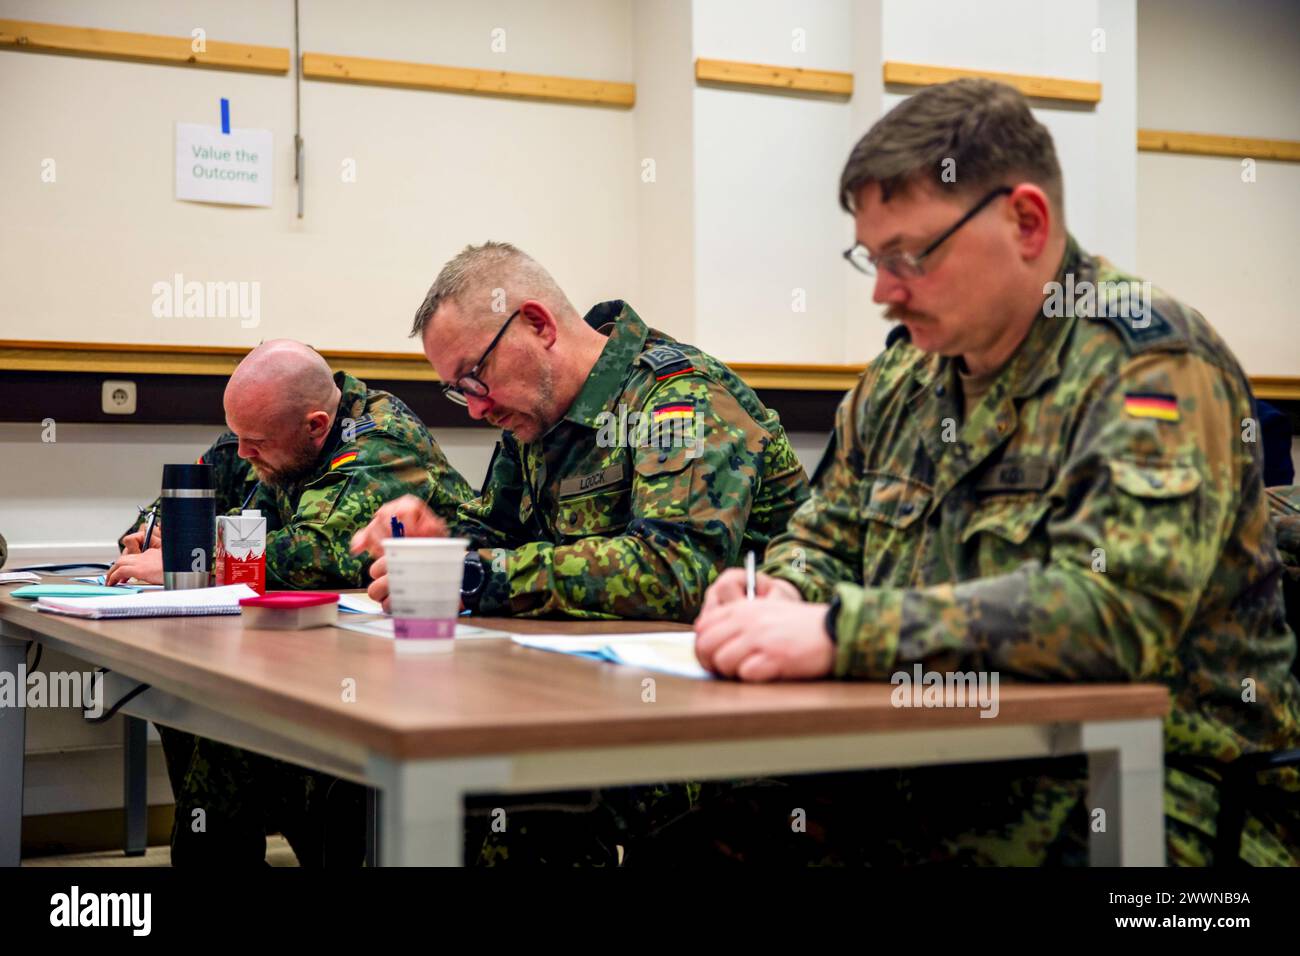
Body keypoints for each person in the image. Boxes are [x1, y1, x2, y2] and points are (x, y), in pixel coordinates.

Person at [691, 78, 1300, 866]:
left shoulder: (1150, 368)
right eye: (872, 260)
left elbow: (1113, 616)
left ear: (1026, 221)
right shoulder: (905, 377)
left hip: (1148, 789)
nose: (884, 291)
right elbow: (826, 532)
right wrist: (781, 589)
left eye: (911, 255)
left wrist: (843, 631)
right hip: (931, 764)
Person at [349, 241, 811, 862]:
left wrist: (475, 576)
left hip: (733, 715)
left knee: (506, 810)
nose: (477, 407)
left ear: (538, 325)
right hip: (597, 690)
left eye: (474, 378)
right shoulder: (533, 420)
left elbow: (675, 573)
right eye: (459, 392)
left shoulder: (677, 398)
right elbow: (498, 541)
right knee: (388, 787)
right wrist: (436, 542)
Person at [118, 339, 474, 866]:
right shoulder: (263, 432)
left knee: (227, 702)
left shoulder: (378, 440)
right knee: (192, 694)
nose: (242, 453)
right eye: (237, 435)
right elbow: (175, 506)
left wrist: (196, 562)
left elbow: (323, 553)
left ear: (315, 426)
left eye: (254, 441)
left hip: (414, 667)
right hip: (320, 646)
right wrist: (152, 534)